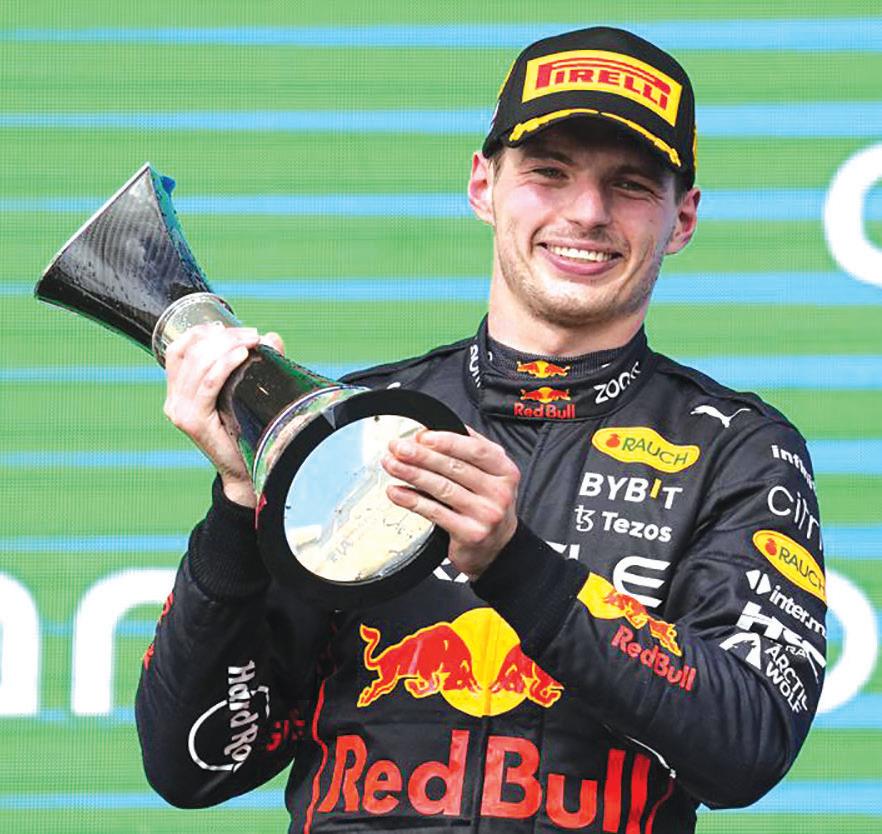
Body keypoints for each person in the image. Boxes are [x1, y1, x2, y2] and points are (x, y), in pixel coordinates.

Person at [136, 26, 827, 833]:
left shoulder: (740, 451)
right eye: (548, 173)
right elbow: (196, 764)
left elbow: (746, 746)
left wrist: (516, 566)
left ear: (682, 219)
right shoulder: (356, 428)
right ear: (483, 185)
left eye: (632, 185)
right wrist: (236, 508)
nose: (587, 212)